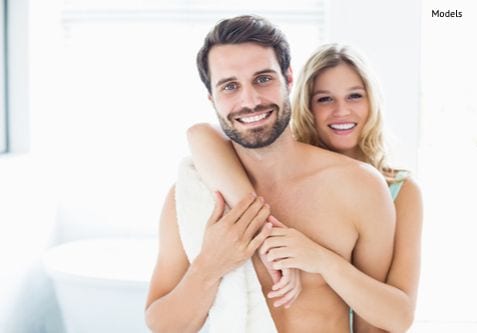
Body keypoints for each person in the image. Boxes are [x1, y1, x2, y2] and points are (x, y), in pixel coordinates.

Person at [145, 15, 395, 333]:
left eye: (263, 79)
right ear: (212, 98)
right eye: (230, 86)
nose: (249, 101)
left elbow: (376, 326)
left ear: (288, 79)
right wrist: (211, 263)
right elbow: (163, 325)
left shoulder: (357, 185)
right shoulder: (190, 196)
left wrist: (323, 260)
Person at [187, 42, 423, 332]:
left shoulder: (398, 190)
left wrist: (322, 259)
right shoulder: (277, 173)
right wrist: (263, 229)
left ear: (373, 101)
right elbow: (200, 135)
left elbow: (395, 317)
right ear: (305, 104)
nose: (342, 111)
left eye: (355, 96)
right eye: (324, 99)